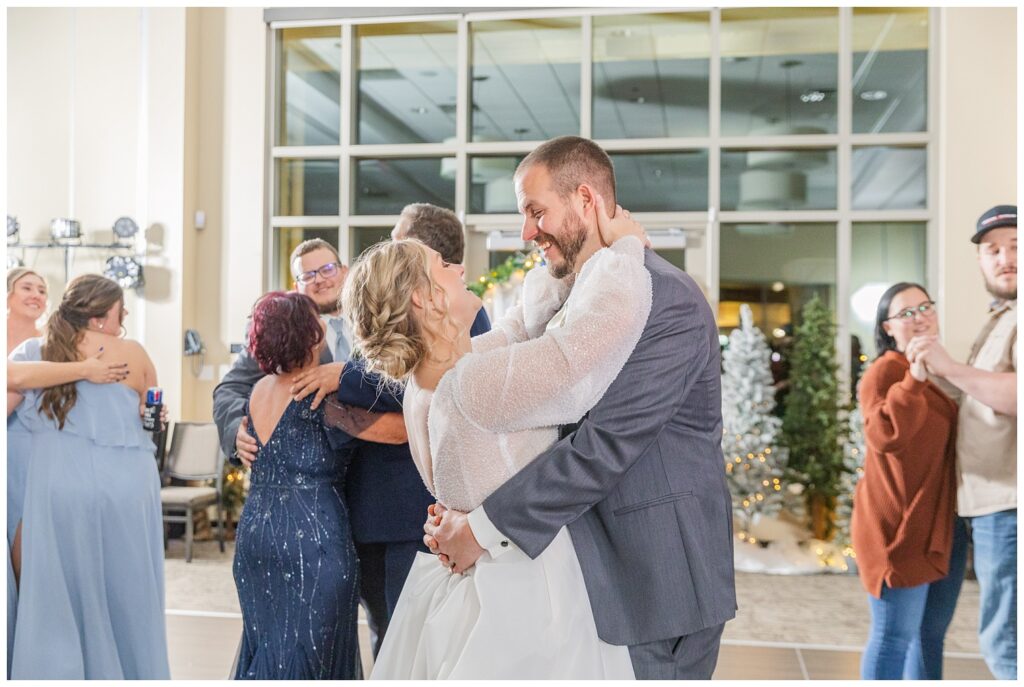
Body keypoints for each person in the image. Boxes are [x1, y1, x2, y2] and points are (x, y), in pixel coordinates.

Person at [425, 136, 736, 679]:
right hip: (580, 567)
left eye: (535, 211)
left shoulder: (669, 300)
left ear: (586, 201)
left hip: (655, 580)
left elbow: (603, 445)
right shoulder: (574, 296)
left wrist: (479, 529)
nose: (526, 232)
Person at [344, 196, 649, 677]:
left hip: (481, 573)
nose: (460, 270)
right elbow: (582, 350)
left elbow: (515, 332)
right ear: (423, 297)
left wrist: (566, 266)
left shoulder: (430, 381)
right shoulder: (471, 384)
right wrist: (627, 251)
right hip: (524, 589)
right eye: (443, 265)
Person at [7, 274, 169, 679]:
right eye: (120, 310)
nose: (125, 317)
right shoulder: (133, 352)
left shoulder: (35, 352)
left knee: (58, 589)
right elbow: (150, 412)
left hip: (61, 485)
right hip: (129, 488)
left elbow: (10, 384)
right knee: (128, 591)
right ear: (99, 317)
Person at [910, 204, 1017, 680]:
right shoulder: (1000, 318)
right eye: (993, 250)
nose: (1004, 258)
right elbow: (980, 396)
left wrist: (950, 367)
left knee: (1006, 642)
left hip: (1010, 503)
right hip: (988, 502)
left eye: (1015, 246)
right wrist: (927, 371)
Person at [232, 291, 359, 679]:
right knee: (308, 659)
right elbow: (394, 432)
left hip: (256, 538)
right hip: (312, 543)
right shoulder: (321, 391)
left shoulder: (258, 391)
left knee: (272, 652)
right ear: (312, 336)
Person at [852, 282, 965, 679]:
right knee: (893, 637)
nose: (920, 318)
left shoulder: (941, 369)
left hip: (942, 524)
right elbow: (885, 435)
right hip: (901, 528)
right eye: (906, 313)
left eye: (925, 307)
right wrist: (914, 377)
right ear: (888, 328)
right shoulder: (886, 371)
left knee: (929, 638)